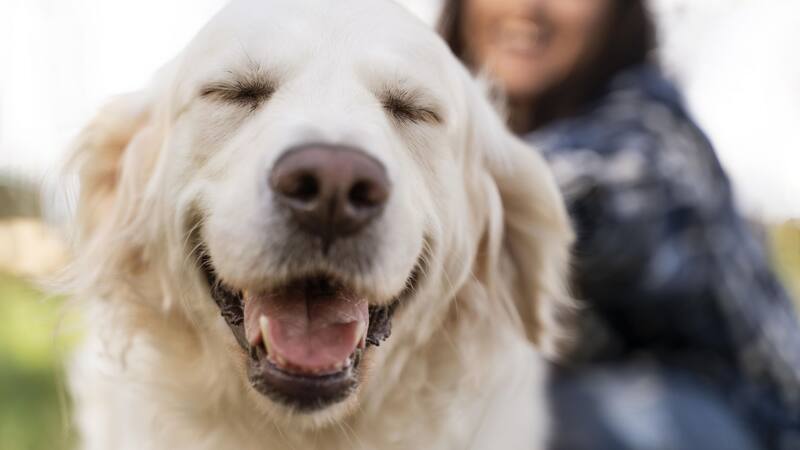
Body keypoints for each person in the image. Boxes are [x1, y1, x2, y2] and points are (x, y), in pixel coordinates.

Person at [438, 1, 800, 449]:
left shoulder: (648, 134)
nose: (528, 7)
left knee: (542, 415)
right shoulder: (472, 136)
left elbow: (575, 193)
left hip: (741, 424)